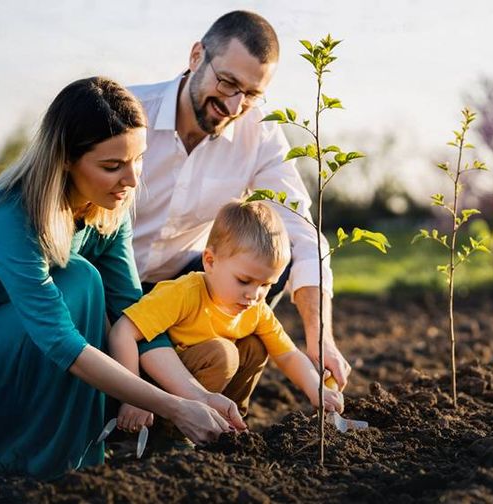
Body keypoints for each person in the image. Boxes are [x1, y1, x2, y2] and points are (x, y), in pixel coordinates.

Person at [0, 76, 245, 480]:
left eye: (138, 158)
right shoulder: (9, 216)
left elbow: (138, 315)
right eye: (112, 166)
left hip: (14, 365)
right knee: (79, 280)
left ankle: (72, 455)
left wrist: (197, 397)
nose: (131, 180)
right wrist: (174, 408)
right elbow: (60, 342)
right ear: (65, 160)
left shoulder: (107, 210)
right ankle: (56, 460)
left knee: (89, 288)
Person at [127, 11, 352, 399]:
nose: (233, 106)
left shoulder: (261, 133)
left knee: (272, 255)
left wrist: (320, 339)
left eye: (250, 94)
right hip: (109, 280)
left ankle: (207, 391)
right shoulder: (129, 112)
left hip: (184, 287)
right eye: (227, 83)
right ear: (197, 56)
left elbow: (303, 233)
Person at [109, 201, 344, 432]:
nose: (254, 294)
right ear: (210, 261)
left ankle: (231, 424)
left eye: (266, 285)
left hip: (209, 388)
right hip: (165, 385)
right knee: (224, 353)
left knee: (255, 346)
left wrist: (316, 389)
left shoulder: (256, 308)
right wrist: (134, 397)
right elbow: (123, 332)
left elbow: (288, 355)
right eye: (244, 281)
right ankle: (175, 435)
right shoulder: (183, 292)